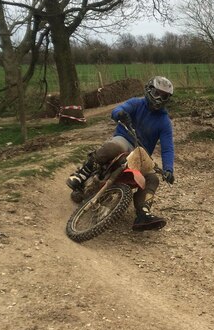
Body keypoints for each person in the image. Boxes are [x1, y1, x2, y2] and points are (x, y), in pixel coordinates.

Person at [67, 76, 175, 231]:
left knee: (152, 179)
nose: (159, 98)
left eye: (164, 96)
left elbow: (167, 148)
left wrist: (169, 169)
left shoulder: (164, 121)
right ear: (148, 89)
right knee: (114, 147)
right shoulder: (136, 103)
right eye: (156, 93)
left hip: (140, 153)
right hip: (125, 138)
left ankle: (143, 213)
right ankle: (82, 174)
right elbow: (117, 110)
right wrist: (120, 114)